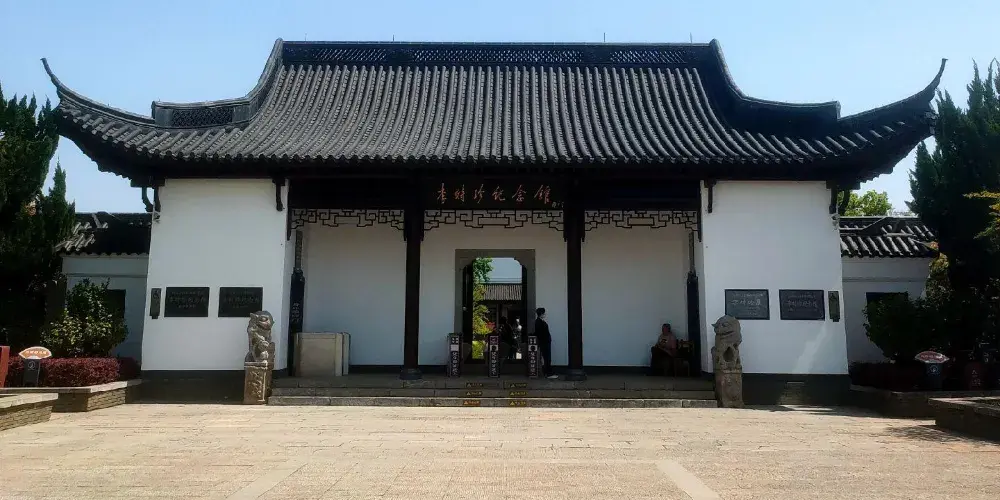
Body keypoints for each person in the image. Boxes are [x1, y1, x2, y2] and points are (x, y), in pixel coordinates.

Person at [534, 307, 558, 379]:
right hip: (544, 342)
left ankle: (548, 372)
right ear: (541, 314)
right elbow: (540, 333)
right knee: (547, 358)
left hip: (545, 342)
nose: (545, 314)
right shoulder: (538, 322)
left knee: (547, 358)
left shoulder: (540, 321)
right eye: (544, 313)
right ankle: (548, 374)